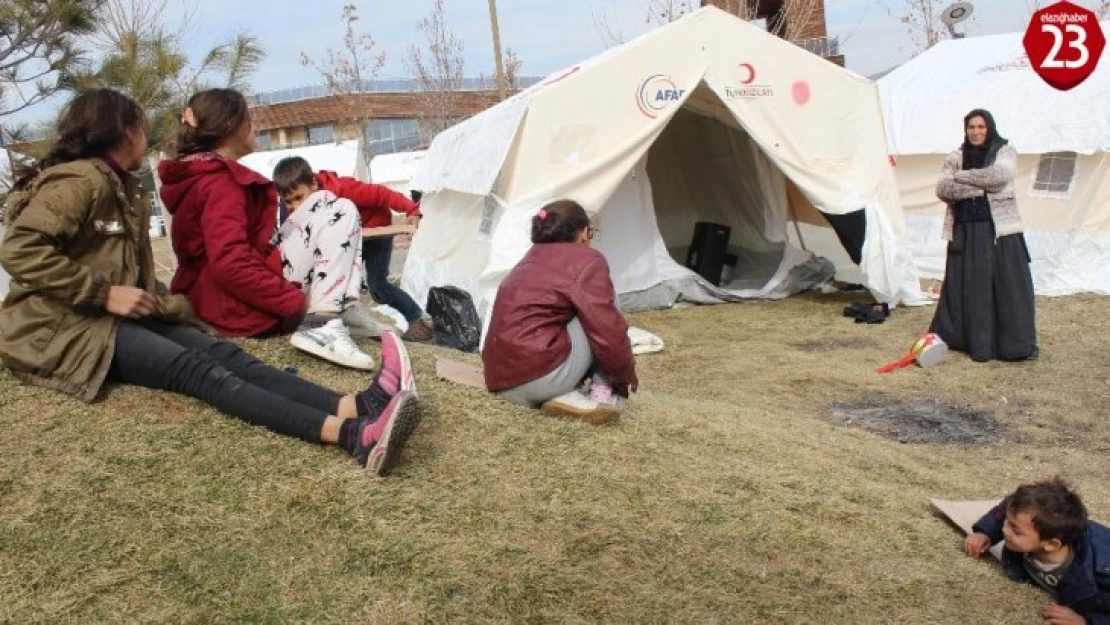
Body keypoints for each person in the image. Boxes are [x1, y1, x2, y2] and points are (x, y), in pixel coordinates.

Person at [0, 88, 421, 476]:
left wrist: (173, 311)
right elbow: (18, 249)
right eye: (142, 128)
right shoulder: (81, 181)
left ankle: (356, 406)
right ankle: (352, 436)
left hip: (101, 316)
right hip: (61, 329)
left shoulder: (119, 185)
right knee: (199, 371)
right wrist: (103, 293)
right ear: (125, 132)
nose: (147, 137)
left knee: (224, 355)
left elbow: (131, 274)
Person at [158, 88, 377, 369]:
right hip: (226, 304)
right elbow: (230, 262)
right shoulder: (219, 183)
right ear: (230, 126)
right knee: (341, 209)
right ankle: (321, 323)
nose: (254, 127)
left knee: (324, 201)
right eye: (248, 119)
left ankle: (341, 307)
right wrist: (294, 302)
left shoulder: (205, 175)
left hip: (208, 290)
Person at [482, 200, 637, 425]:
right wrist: (623, 376)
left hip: (501, 381)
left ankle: (563, 396)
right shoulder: (588, 259)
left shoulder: (528, 259)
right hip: (541, 376)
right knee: (600, 309)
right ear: (584, 232)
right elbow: (607, 329)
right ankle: (602, 391)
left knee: (584, 307)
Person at [271, 156, 435, 342]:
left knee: (378, 286)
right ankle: (338, 320)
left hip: (375, 233)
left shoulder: (344, 190)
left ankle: (418, 318)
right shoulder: (291, 211)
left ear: (314, 184)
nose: (296, 206)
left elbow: (382, 194)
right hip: (344, 239)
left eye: (300, 198)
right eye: (288, 201)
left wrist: (412, 210)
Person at [933, 109, 1038, 362]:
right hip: (965, 230)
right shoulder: (957, 155)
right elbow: (943, 188)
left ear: (989, 128)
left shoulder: (1004, 151)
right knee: (969, 288)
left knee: (1005, 287)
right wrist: (978, 191)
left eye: (981, 127)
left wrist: (963, 176)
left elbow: (999, 177)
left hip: (997, 231)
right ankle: (970, 341)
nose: (976, 132)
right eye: (971, 127)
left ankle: (1010, 344)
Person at [964, 478, 1109, 625]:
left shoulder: (1102, 574)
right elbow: (1009, 504)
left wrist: (1086, 621)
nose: (1005, 530)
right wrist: (986, 532)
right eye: (1007, 522)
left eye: (1015, 531)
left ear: (1051, 544)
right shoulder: (1030, 519)